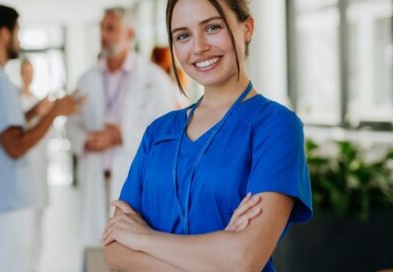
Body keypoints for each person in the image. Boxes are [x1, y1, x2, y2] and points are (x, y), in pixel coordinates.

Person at [102, 0, 313, 271]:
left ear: (247, 28)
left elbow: (244, 258)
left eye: (212, 27)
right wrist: (219, 251)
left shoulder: (276, 126)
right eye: (183, 36)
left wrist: (142, 238)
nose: (199, 47)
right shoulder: (158, 132)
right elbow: (115, 251)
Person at [0, 5, 83, 272]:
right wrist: (55, 114)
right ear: (4, 34)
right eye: (17, 33)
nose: (19, 40)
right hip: (4, 204)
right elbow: (14, 146)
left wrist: (31, 113)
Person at [66, 6, 180, 248]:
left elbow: (168, 129)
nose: (103, 35)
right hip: (96, 177)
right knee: (96, 251)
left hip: (131, 177)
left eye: (110, 28)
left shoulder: (153, 79)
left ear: (129, 34)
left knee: (130, 250)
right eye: (102, 28)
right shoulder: (86, 79)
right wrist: (85, 140)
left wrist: (120, 136)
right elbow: (72, 123)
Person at [19, 59, 50, 271]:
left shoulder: (40, 101)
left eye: (31, 72)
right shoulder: (14, 100)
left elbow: (46, 134)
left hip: (38, 168)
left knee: (38, 223)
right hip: (21, 169)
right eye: (25, 71)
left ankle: (34, 266)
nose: (28, 76)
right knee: (23, 226)